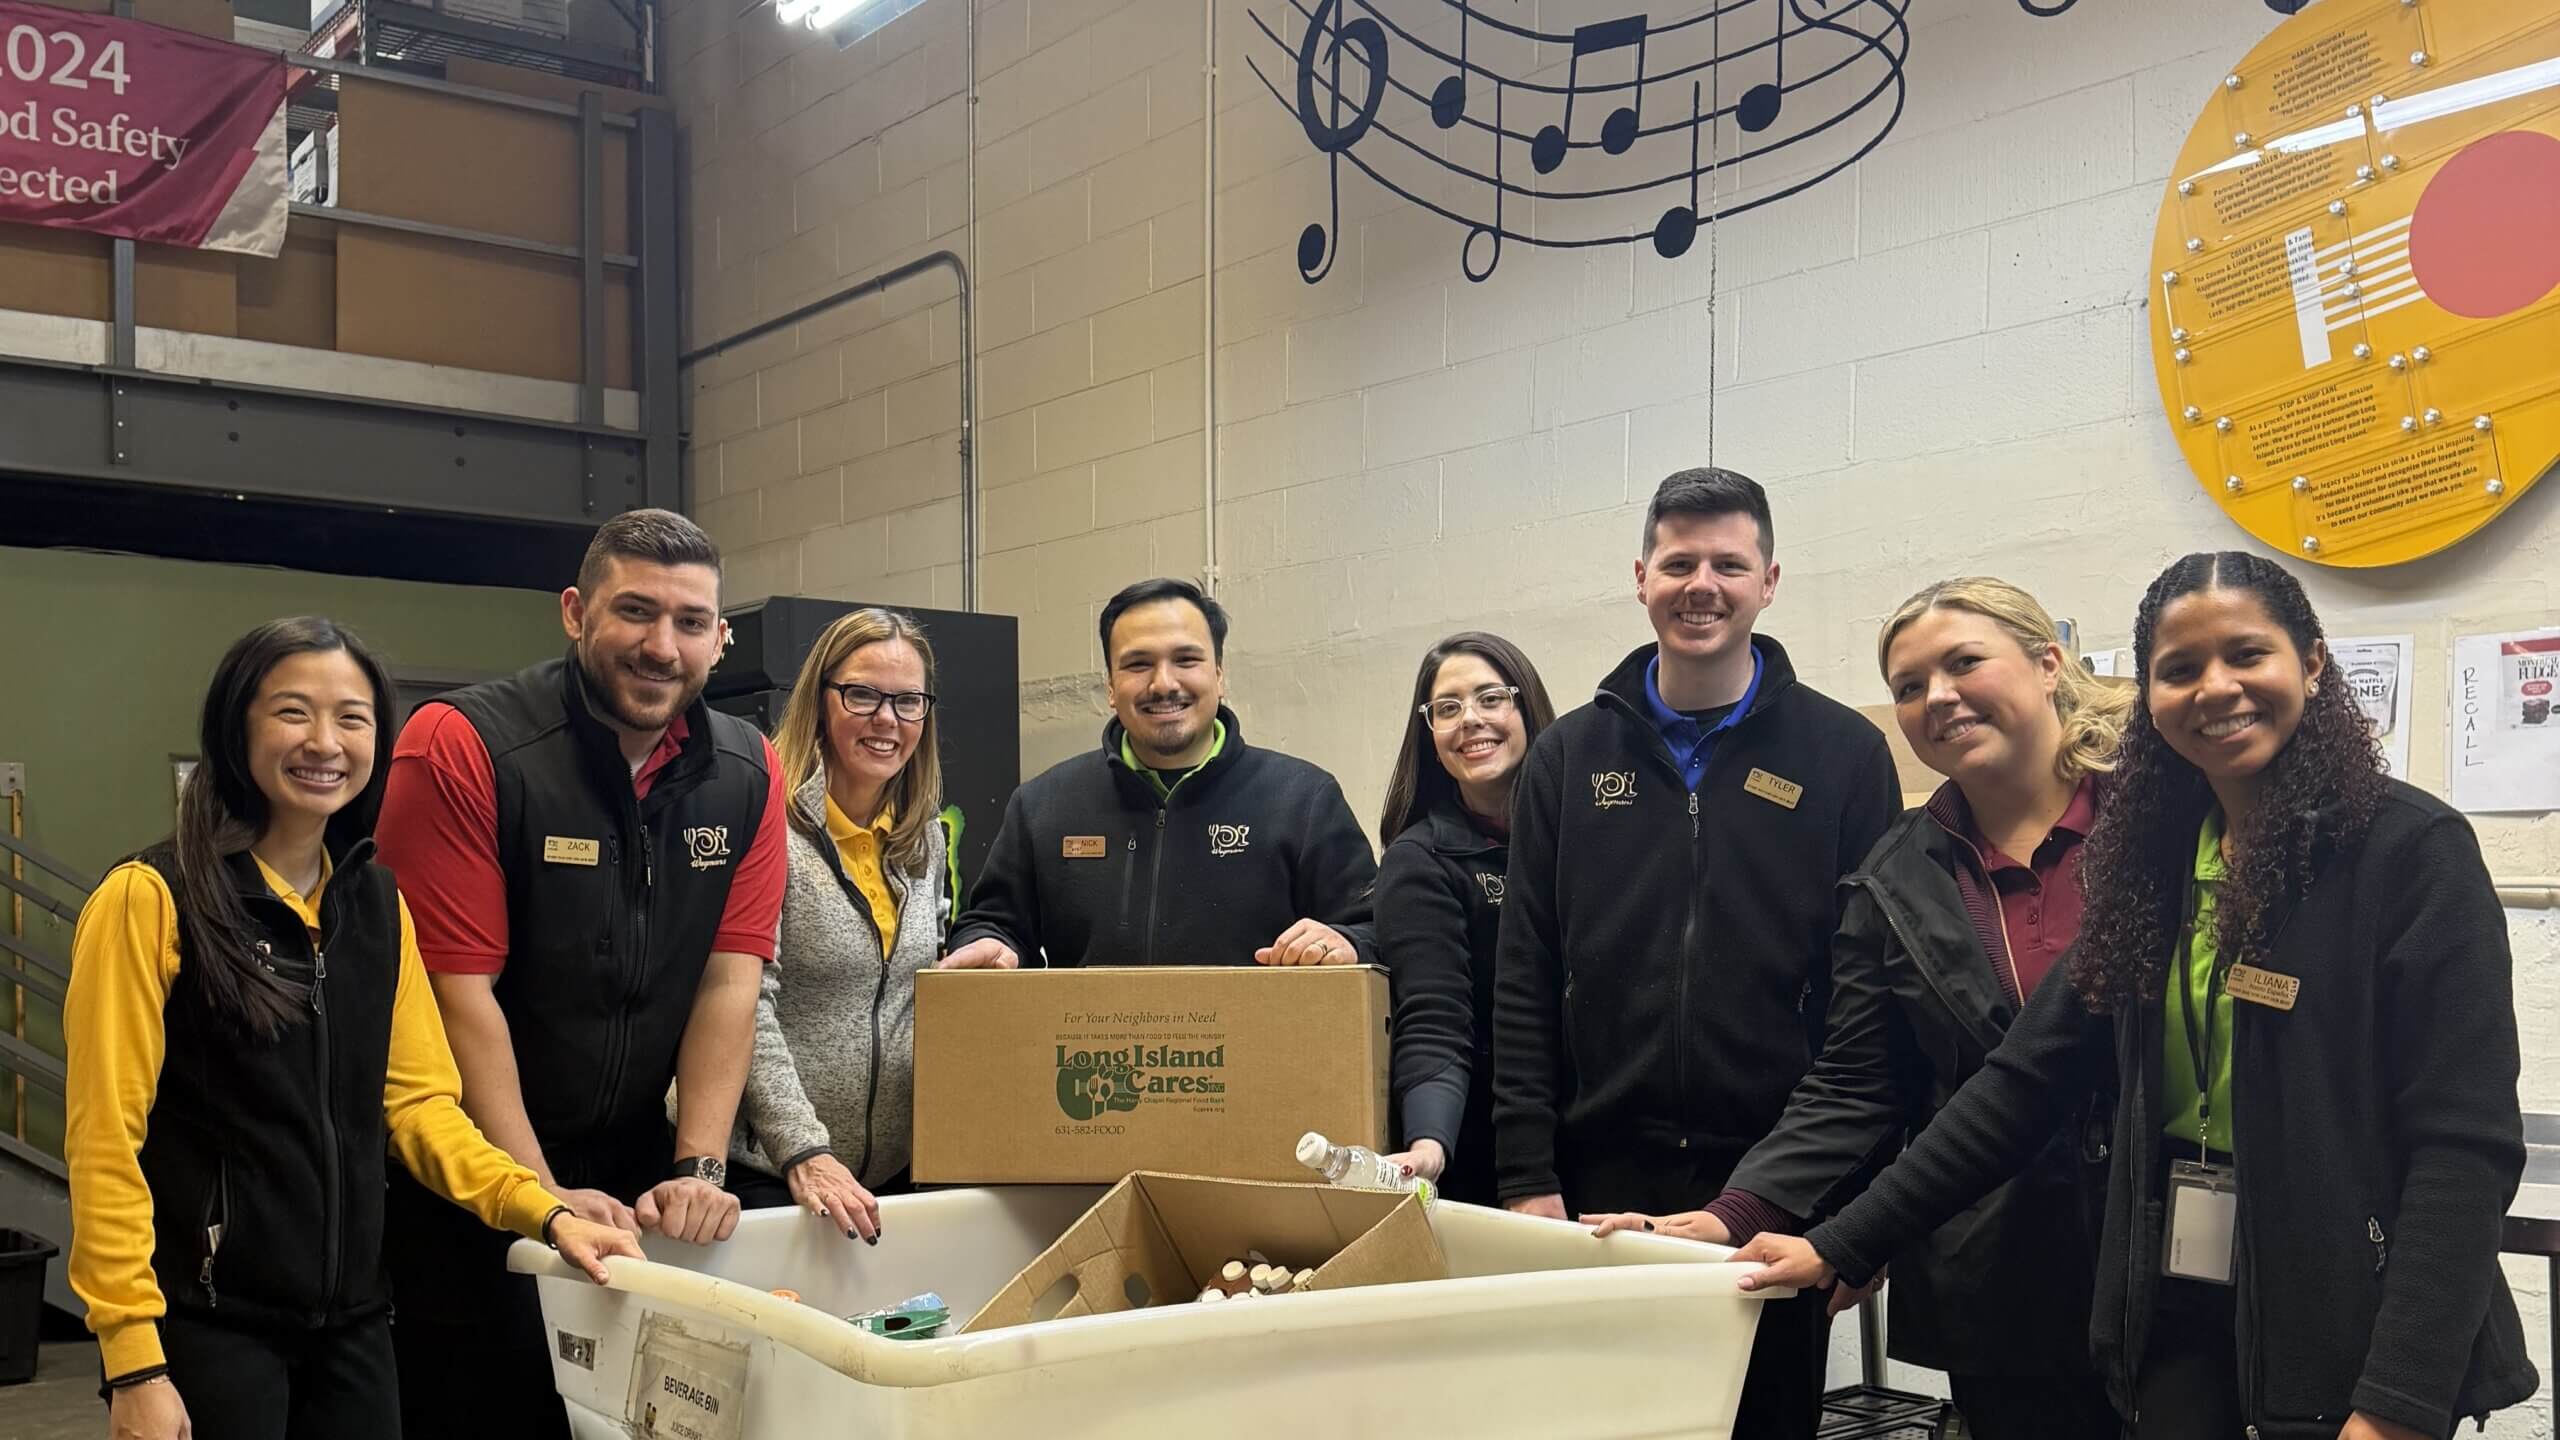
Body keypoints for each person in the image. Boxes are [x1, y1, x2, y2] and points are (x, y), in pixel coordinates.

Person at [1732, 553, 2540, 1440]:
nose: (2216, 688)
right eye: (2180, 669)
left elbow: (2464, 1151)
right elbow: (2019, 1082)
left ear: (2311, 662)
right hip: (2176, 1291)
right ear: (2147, 694)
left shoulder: (2409, 850)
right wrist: (1834, 1242)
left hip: (2345, 1297)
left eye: (2247, 655)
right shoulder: (2156, 856)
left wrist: (2399, 1406)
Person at [62, 618, 641, 1440]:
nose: (325, 742)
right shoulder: (149, 900)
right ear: (239, 727)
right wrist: (133, 1361)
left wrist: (542, 1209)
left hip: (356, 1327)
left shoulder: (377, 906)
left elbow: (422, 1109)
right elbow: (103, 1145)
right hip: (208, 1329)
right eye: (293, 712)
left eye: (353, 718)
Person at [1585, 577, 2130, 1440]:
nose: (1937, 698)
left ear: (2048, 662)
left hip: (2173, 1256)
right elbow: (1856, 1080)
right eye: (1910, 686)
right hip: (2002, 1270)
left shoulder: (2160, 828)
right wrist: (1739, 1213)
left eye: (1963, 664)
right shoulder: (1896, 875)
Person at [1491, 467, 1899, 1440]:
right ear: (1640, 577)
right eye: (1678, 561)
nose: (1700, 583)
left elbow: (1874, 1004)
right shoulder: (1566, 758)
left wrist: (1860, 1209)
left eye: (1727, 561)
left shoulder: (1843, 756)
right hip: (1598, 1187)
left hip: (1774, 1183)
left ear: (1769, 582)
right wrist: (1524, 1175)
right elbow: (1524, 976)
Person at [374, 510, 788, 1439]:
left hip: (633, 1183)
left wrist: (700, 1165)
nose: (661, 646)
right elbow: (455, 995)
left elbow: (730, 981)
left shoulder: (748, 770)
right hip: (468, 1188)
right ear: (574, 611)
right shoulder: (463, 744)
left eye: (690, 622)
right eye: (634, 612)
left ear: (720, 638)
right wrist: (536, 1193)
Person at [945, 577, 1377, 969]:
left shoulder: (1303, 799)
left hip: (1258, 1055)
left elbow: (1374, 929)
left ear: (1220, 675)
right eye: (1137, 665)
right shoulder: (1043, 806)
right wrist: (988, 942)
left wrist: (1345, 941)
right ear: (1111, 688)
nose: (1163, 683)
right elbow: (991, 923)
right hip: (1091, 1056)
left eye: (1186, 659)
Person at [721, 608, 967, 1240]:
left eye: (908, 701)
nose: (887, 720)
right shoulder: (764, 824)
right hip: (770, 1173)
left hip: (888, 1178)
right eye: (862, 695)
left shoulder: (923, 839)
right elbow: (743, 1001)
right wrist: (802, 1149)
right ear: (820, 700)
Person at [1372, 632, 1556, 1205]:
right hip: (1486, 1155)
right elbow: (1434, 1016)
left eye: (1491, 698)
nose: (1470, 720)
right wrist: (1430, 1143)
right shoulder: (1419, 860)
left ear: (1526, 705)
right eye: (1447, 708)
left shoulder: (1591, 834)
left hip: (1607, 1139)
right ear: (1429, 735)